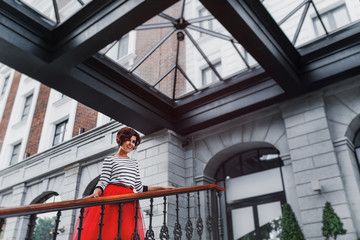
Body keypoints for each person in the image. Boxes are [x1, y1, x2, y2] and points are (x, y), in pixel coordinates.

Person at [71, 127, 173, 240]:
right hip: (112, 197)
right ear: (121, 140)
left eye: (134, 142)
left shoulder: (134, 162)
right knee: (108, 232)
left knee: (126, 234)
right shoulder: (110, 160)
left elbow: (139, 188)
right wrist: (96, 192)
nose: (131, 144)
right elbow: (103, 181)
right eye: (129, 140)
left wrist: (162, 188)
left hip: (129, 200)